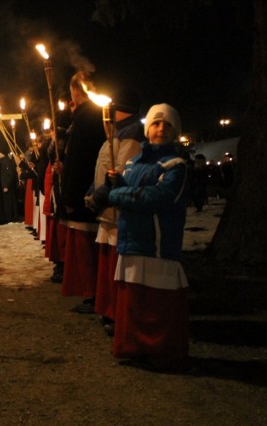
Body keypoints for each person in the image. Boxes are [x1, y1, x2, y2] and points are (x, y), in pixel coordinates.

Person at [93, 103, 190, 372]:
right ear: (148, 129)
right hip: (132, 241)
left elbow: (155, 198)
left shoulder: (175, 165)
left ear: (174, 131)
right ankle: (135, 347)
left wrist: (114, 195)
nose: (160, 129)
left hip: (158, 245)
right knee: (135, 301)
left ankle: (162, 353)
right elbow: (133, 191)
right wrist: (117, 182)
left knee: (158, 304)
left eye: (167, 125)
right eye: (156, 124)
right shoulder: (134, 162)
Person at [85, 88, 144, 336]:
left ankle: (119, 313)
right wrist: (92, 191)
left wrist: (99, 197)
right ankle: (109, 309)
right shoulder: (115, 134)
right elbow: (103, 169)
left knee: (118, 267)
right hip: (108, 212)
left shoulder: (130, 136)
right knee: (109, 265)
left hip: (118, 212)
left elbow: (121, 171)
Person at [58, 72, 105, 313]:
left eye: (73, 91)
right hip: (87, 191)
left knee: (88, 251)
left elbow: (82, 161)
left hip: (83, 195)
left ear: (80, 91)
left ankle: (95, 295)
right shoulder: (87, 118)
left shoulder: (88, 119)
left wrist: (69, 197)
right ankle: (94, 294)